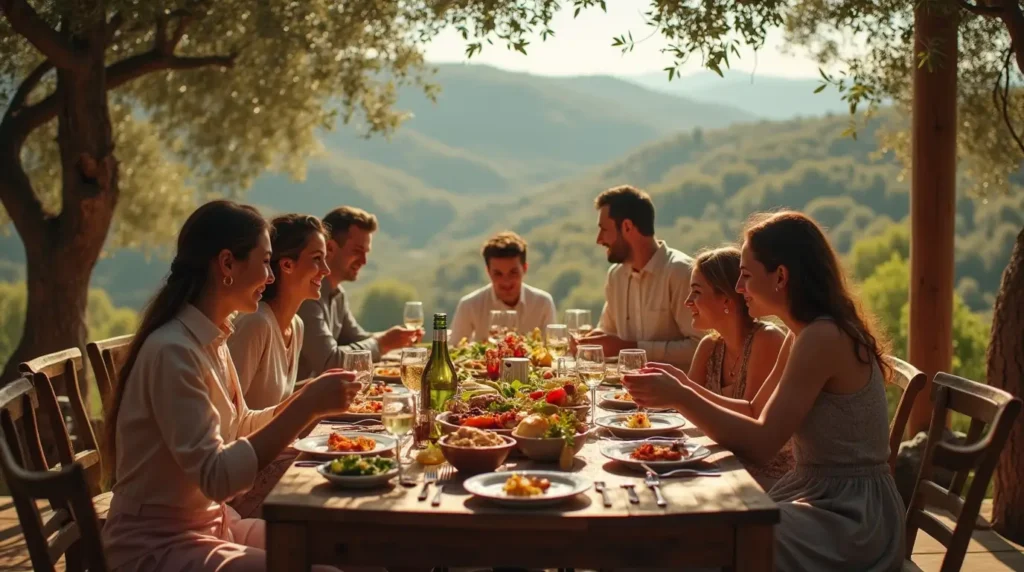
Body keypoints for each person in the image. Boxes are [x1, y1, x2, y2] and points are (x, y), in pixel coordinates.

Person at [622, 211, 905, 571]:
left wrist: (681, 397)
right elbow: (755, 410)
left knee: (704, 538)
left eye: (746, 275)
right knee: (695, 522)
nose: (739, 288)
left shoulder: (821, 337)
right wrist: (683, 386)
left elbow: (762, 443)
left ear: (781, 277)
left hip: (851, 517)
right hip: (819, 495)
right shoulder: (802, 335)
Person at [100, 200, 356, 572]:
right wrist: (306, 407)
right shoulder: (174, 351)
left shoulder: (212, 339)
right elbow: (217, 478)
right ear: (226, 264)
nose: (271, 277)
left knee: (344, 550)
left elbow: (239, 425)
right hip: (158, 544)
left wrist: (302, 399)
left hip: (214, 524)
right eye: (265, 262)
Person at [683, 246, 793, 489]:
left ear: (726, 299)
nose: (687, 301)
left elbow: (751, 421)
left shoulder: (767, 339)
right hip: (724, 464)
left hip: (767, 475)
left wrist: (680, 390)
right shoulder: (709, 347)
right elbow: (686, 417)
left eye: (696, 292)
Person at [576, 185, 703, 369]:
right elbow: (608, 333)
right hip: (621, 385)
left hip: (673, 387)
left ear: (627, 227)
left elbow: (700, 347)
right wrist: (588, 342)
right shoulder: (615, 276)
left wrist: (630, 349)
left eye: (604, 229)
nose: (599, 239)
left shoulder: (681, 272)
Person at [297, 206, 420, 378]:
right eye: (357, 251)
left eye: (366, 252)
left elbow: (356, 338)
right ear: (330, 248)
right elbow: (329, 361)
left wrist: (394, 338)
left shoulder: (338, 294)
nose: (364, 261)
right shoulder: (307, 296)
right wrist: (382, 343)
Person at [230, 214, 330, 409]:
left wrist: (320, 387)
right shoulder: (256, 323)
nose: (326, 269)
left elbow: (277, 401)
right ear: (287, 265)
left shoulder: (296, 325)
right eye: (317, 259)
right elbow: (228, 412)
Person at [450, 231, 556, 343]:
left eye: (513, 272)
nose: (506, 282)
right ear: (488, 272)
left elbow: (552, 347)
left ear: (525, 268)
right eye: (498, 274)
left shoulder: (543, 303)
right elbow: (454, 348)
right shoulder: (469, 305)